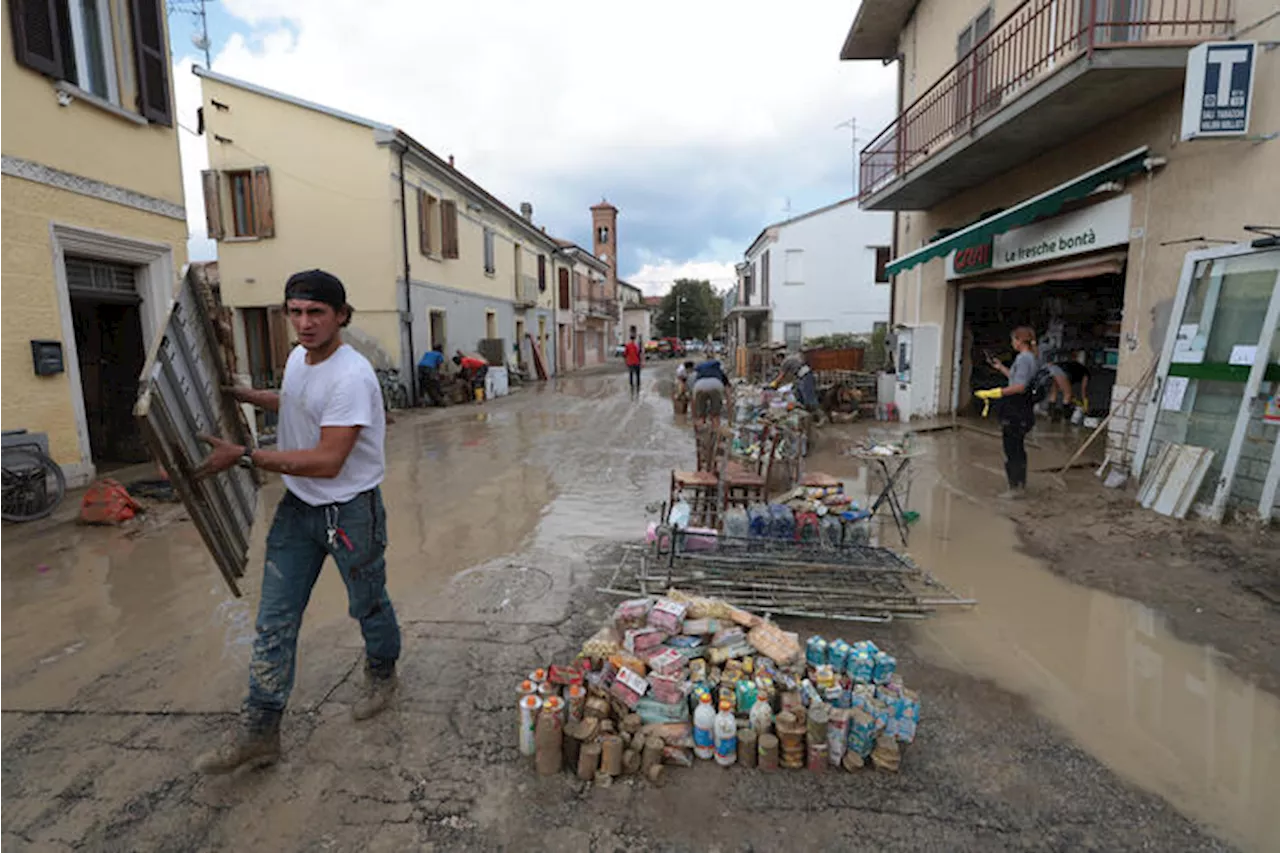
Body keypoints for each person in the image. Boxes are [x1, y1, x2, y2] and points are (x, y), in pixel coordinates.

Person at [193, 269, 401, 774]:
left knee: (367, 602)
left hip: (350, 510)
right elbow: (299, 402)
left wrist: (244, 455)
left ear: (341, 316)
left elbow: (329, 459)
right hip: (298, 510)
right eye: (296, 312)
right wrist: (245, 396)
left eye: (316, 313)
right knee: (273, 620)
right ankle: (261, 731)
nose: (304, 323)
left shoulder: (353, 376)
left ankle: (382, 672)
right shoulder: (297, 359)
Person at [976, 326, 1040, 499]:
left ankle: (1015, 489)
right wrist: (1000, 367)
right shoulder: (1029, 358)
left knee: (1012, 449)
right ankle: (1020, 486)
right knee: (1017, 448)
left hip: (1017, 411)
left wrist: (995, 392)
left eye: (1013, 340)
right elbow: (1016, 378)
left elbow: (1019, 387)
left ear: (1019, 341)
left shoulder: (1025, 359)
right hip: (1022, 410)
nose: (1012, 343)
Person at [692, 356, 732, 427]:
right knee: (715, 416)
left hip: (699, 386)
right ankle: (716, 434)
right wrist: (730, 420)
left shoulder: (699, 374)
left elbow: (693, 400)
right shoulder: (720, 373)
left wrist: (695, 416)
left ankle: (699, 434)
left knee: (701, 417)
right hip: (716, 385)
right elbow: (728, 396)